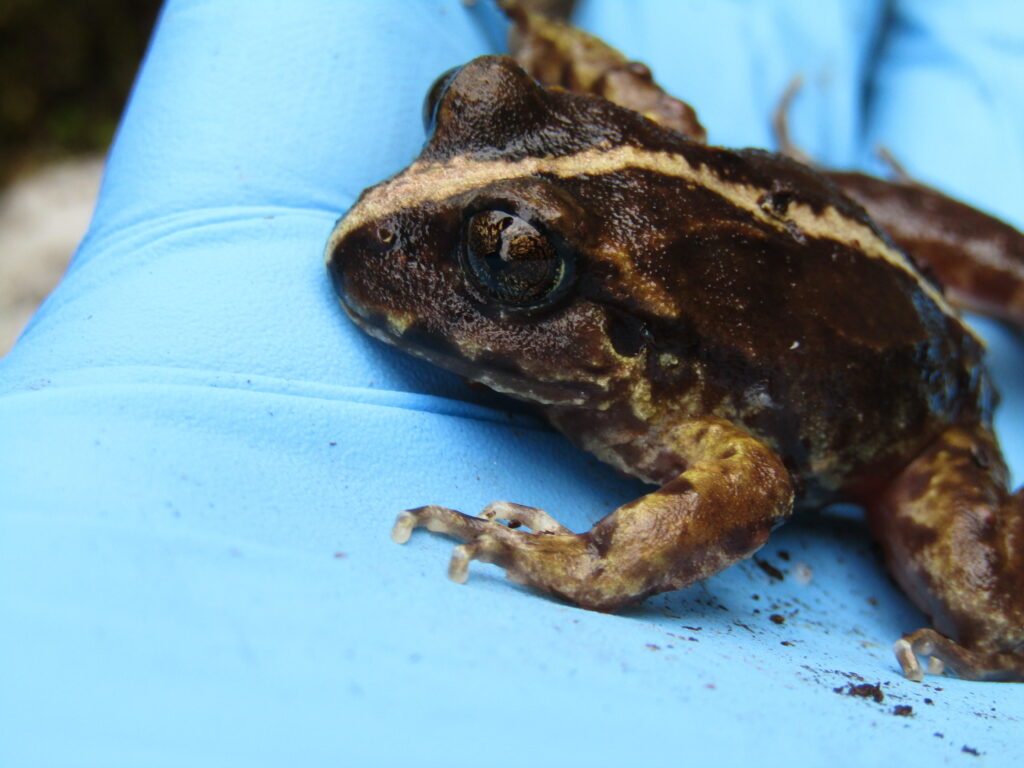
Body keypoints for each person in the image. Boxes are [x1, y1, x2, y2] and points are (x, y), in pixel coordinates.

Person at [2, 2, 1022, 764]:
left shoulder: (683, 412)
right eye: (459, 110)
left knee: (992, 613)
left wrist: (582, 565)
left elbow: (749, 481)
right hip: (816, 228)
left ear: (620, 341)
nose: (385, 217)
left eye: (505, 256)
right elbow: (632, 99)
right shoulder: (596, 139)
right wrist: (540, 37)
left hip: (917, 416)